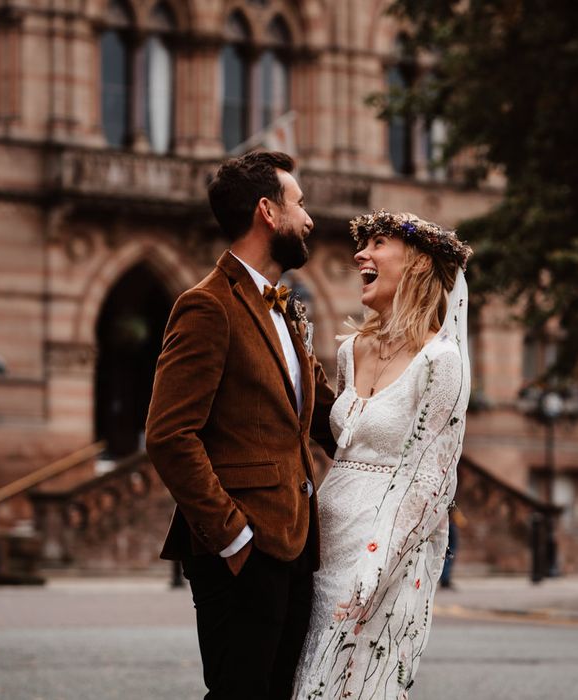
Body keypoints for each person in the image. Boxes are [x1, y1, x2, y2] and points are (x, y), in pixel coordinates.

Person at [145, 150, 337, 700]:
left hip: (297, 544)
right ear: (267, 213)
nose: (309, 218)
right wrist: (233, 537)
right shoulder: (206, 306)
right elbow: (169, 434)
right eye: (299, 203)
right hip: (244, 551)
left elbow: (323, 415)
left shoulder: (286, 308)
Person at [293, 209, 472, 699]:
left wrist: (378, 565)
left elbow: (430, 481)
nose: (360, 255)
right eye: (362, 243)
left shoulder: (442, 362)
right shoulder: (352, 351)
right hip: (322, 539)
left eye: (377, 245)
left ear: (415, 264)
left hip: (378, 549)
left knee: (355, 686)